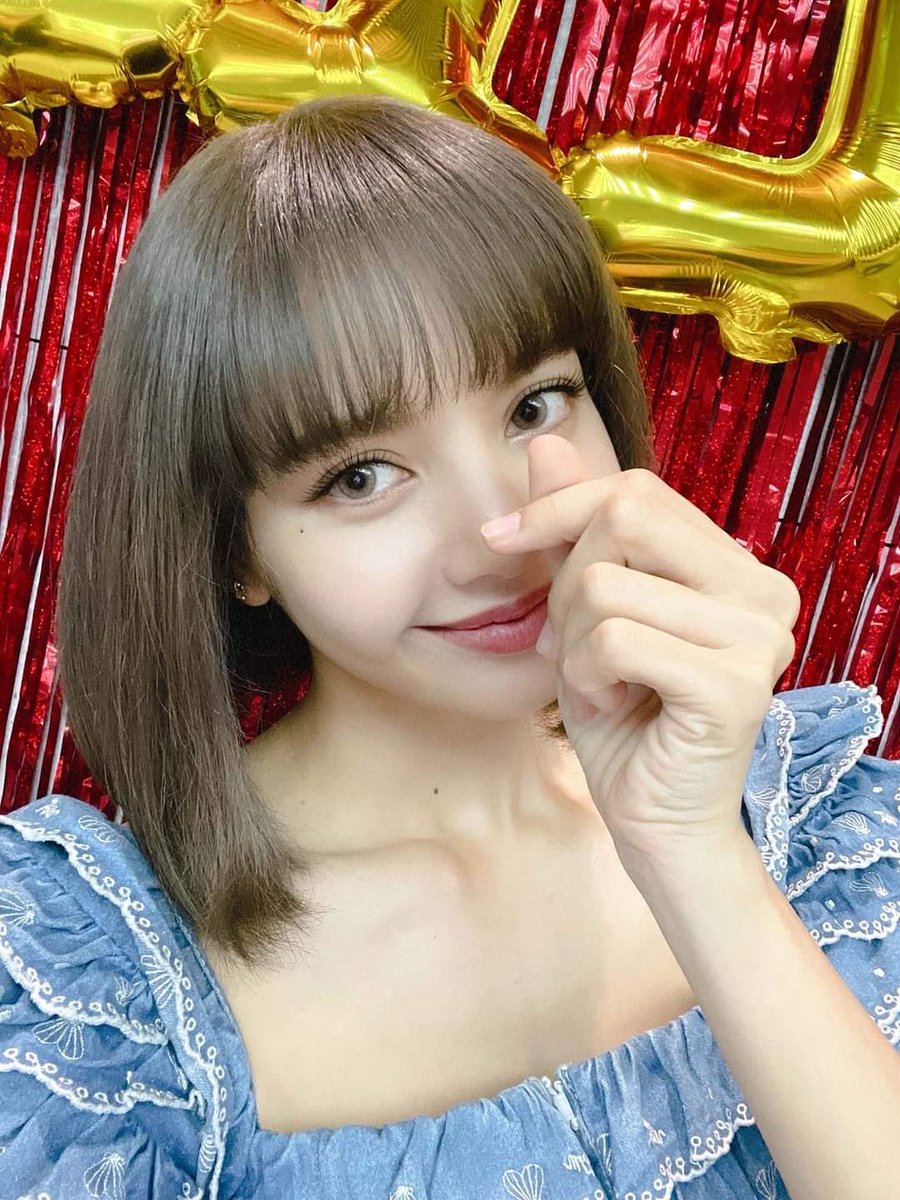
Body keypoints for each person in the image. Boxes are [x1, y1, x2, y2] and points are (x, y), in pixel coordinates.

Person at [0, 94, 897, 1200]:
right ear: (236, 550)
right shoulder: (91, 1005)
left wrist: (696, 855)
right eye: (361, 476)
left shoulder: (828, 836)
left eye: (535, 406)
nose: (497, 536)